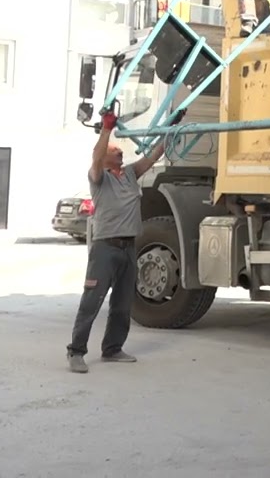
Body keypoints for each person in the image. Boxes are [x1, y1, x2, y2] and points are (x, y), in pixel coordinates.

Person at [66, 111, 166, 374]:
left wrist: (172, 129)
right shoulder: (99, 178)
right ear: (104, 156)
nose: (121, 152)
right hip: (105, 248)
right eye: (115, 150)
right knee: (92, 301)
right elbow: (97, 157)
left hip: (128, 248)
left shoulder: (131, 174)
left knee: (122, 303)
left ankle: (112, 348)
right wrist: (106, 130)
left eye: (121, 150)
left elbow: (152, 157)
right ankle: (76, 351)